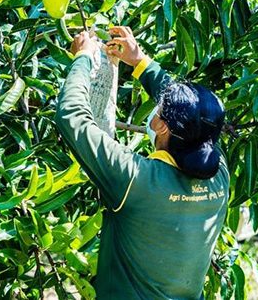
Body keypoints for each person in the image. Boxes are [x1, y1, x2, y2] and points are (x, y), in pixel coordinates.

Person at [55, 27, 229, 300]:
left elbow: (72, 117)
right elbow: (193, 114)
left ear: (161, 125)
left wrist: (84, 58)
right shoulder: (219, 174)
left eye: (159, 109)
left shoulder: (136, 179)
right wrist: (140, 61)